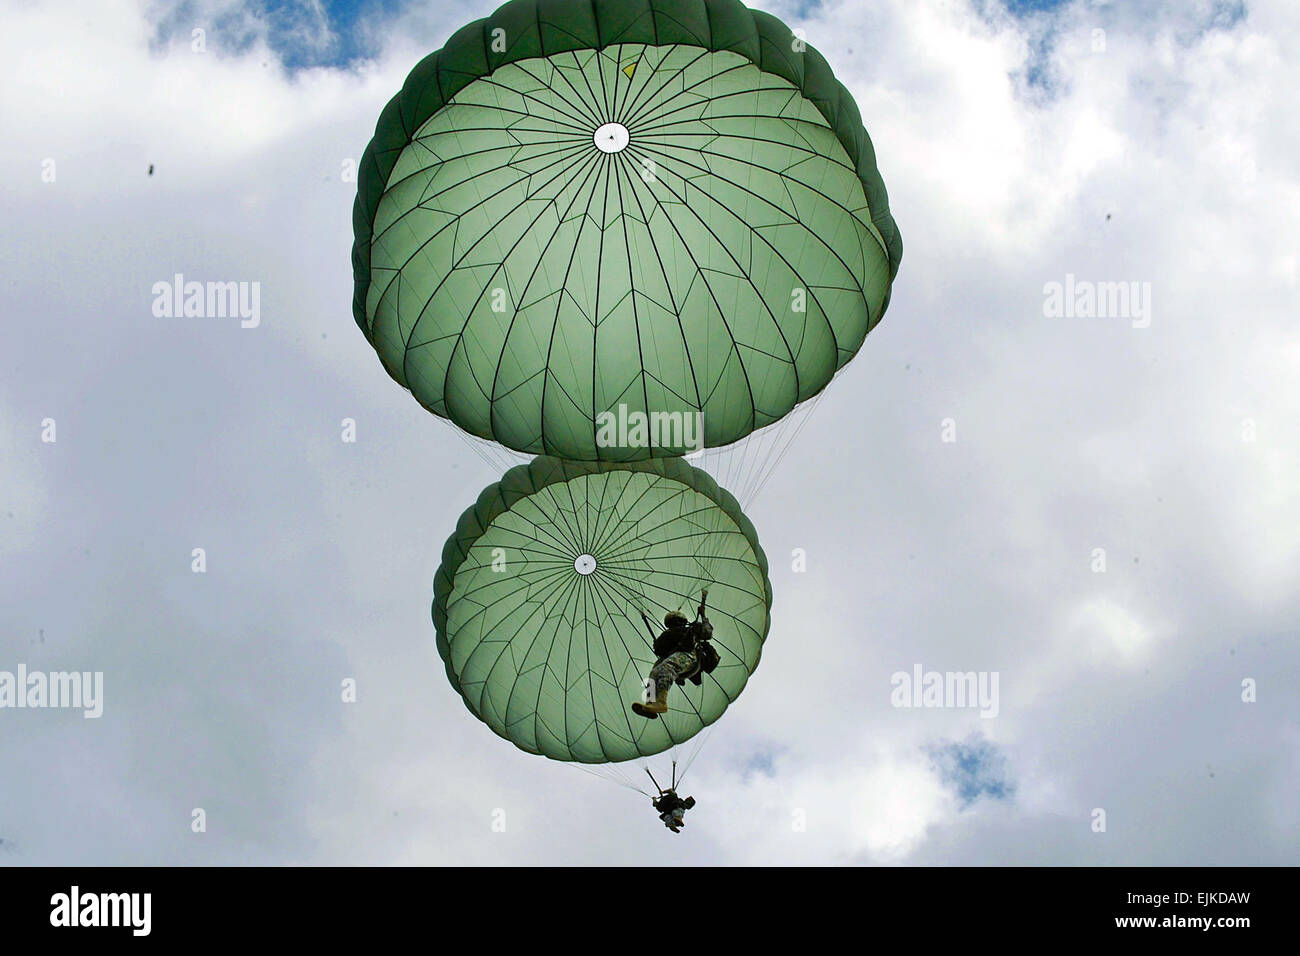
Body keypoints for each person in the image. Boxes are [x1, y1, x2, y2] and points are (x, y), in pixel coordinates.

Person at [631, 590, 720, 719]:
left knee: (667, 667)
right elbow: (659, 649)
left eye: (676, 621)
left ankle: (661, 702)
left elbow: (708, 633)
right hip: (677, 660)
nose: (674, 625)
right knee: (654, 672)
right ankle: (650, 704)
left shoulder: (691, 629)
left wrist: (703, 616)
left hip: (689, 657)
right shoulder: (668, 635)